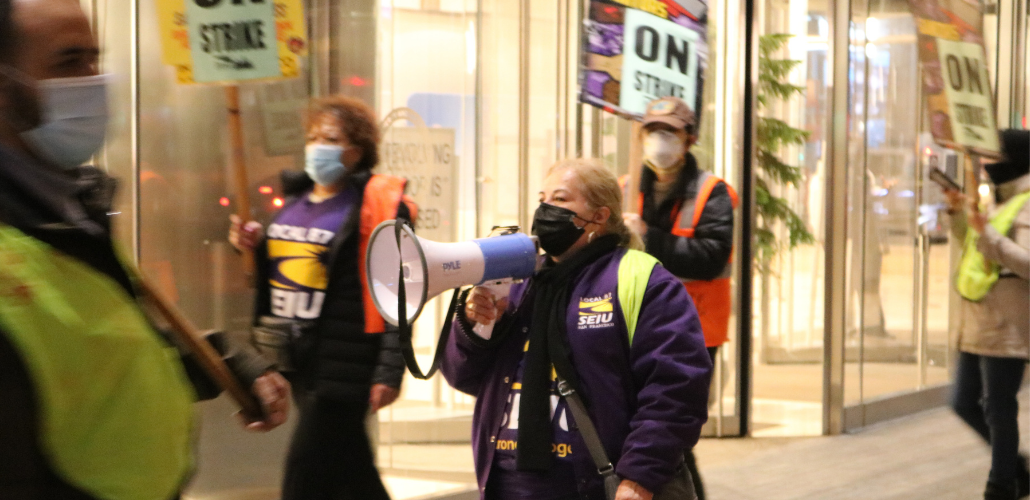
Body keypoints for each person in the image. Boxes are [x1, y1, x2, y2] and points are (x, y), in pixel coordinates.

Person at [0, 0, 290, 498]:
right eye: (70, 62)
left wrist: (224, 357)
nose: (95, 79)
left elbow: (106, 361)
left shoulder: (70, 213)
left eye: (95, 58)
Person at [442, 159, 712, 500]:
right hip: (509, 485)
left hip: (596, 486)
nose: (544, 208)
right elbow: (463, 376)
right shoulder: (520, 280)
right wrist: (475, 327)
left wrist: (640, 474)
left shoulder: (642, 279)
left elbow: (677, 387)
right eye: (542, 197)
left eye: (560, 199)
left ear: (599, 216)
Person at [229, 95, 416, 500]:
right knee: (353, 472)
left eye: (330, 137)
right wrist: (252, 246)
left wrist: (390, 368)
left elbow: (398, 290)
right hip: (298, 358)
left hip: (346, 362)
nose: (317, 145)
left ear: (356, 151)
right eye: (313, 136)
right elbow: (286, 271)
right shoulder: (294, 203)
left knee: (305, 475)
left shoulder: (378, 208)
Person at [621, 96, 737, 500]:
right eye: (652, 130)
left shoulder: (714, 193)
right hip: (633, 326)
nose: (659, 140)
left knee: (674, 433)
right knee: (650, 433)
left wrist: (649, 237)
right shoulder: (624, 189)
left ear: (689, 139)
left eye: (669, 131)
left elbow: (711, 258)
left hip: (694, 331)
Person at [945, 129, 1030, 500]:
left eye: (992, 157)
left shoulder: (1026, 203)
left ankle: (1002, 485)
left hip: (1006, 326)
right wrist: (957, 212)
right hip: (978, 323)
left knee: (998, 407)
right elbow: (976, 248)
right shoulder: (1000, 199)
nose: (984, 164)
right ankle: (1016, 469)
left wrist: (989, 236)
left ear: (1013, 160)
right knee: (963, 402)